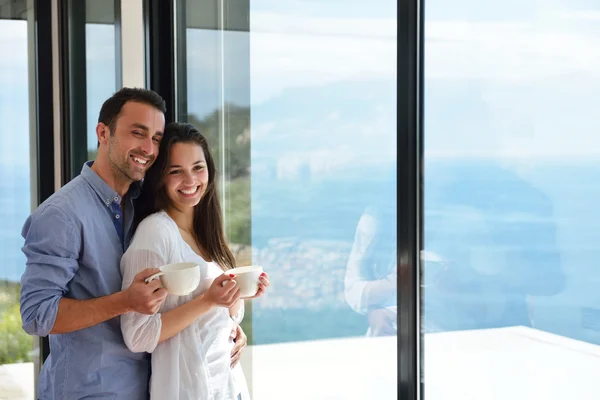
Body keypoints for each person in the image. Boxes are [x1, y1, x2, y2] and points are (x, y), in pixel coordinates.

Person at [19, 87, 169, 400]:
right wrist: (127, 300)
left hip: (147, 387)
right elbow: (36, 315)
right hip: (88, 392)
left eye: (155, 138)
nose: (148, 148)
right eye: (138, 133)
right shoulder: (61, 215)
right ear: (103, 133)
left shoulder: (144, 205)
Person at [120, 122, 270, 400]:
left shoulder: (207, 230)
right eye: (176, 171)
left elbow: (213, 316)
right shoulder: (155, 232)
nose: (190, 181)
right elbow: (137, 336)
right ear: (159, 178)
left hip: (228, 386)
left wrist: (236, 303)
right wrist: (209, 301)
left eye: (198, 168)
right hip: (189, 390)